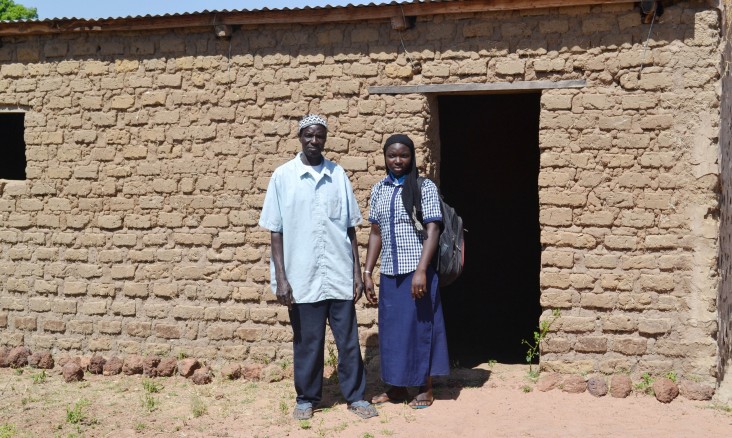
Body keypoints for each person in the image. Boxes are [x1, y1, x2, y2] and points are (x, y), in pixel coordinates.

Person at [258, 114, 378, 420]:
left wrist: (356, 274)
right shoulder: (283, 177)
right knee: (307, 343)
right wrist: (281, 279)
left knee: (349, 341)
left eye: (320, 136)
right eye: (309, 135)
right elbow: (276, 232)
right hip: (302, 277)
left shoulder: (338, 175)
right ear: (300, 137)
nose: (314, 141)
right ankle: (307, 398)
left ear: (325, 139)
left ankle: (356, 397)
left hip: (338, 274)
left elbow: (350, 228)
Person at [363, 134, 450, 409]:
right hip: (391, 273)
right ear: (385, 158)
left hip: (417, 271)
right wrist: (367, 272)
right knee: (392, 332)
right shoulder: (379, 189)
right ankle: (397, 387)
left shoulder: (424, 187)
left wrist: (422, 270)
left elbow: (433, 230)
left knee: (420, 328)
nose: (397, 161)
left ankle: (424, 387)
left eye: (403, 155)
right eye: (392, 155)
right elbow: (375, 232)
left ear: (412, 157)